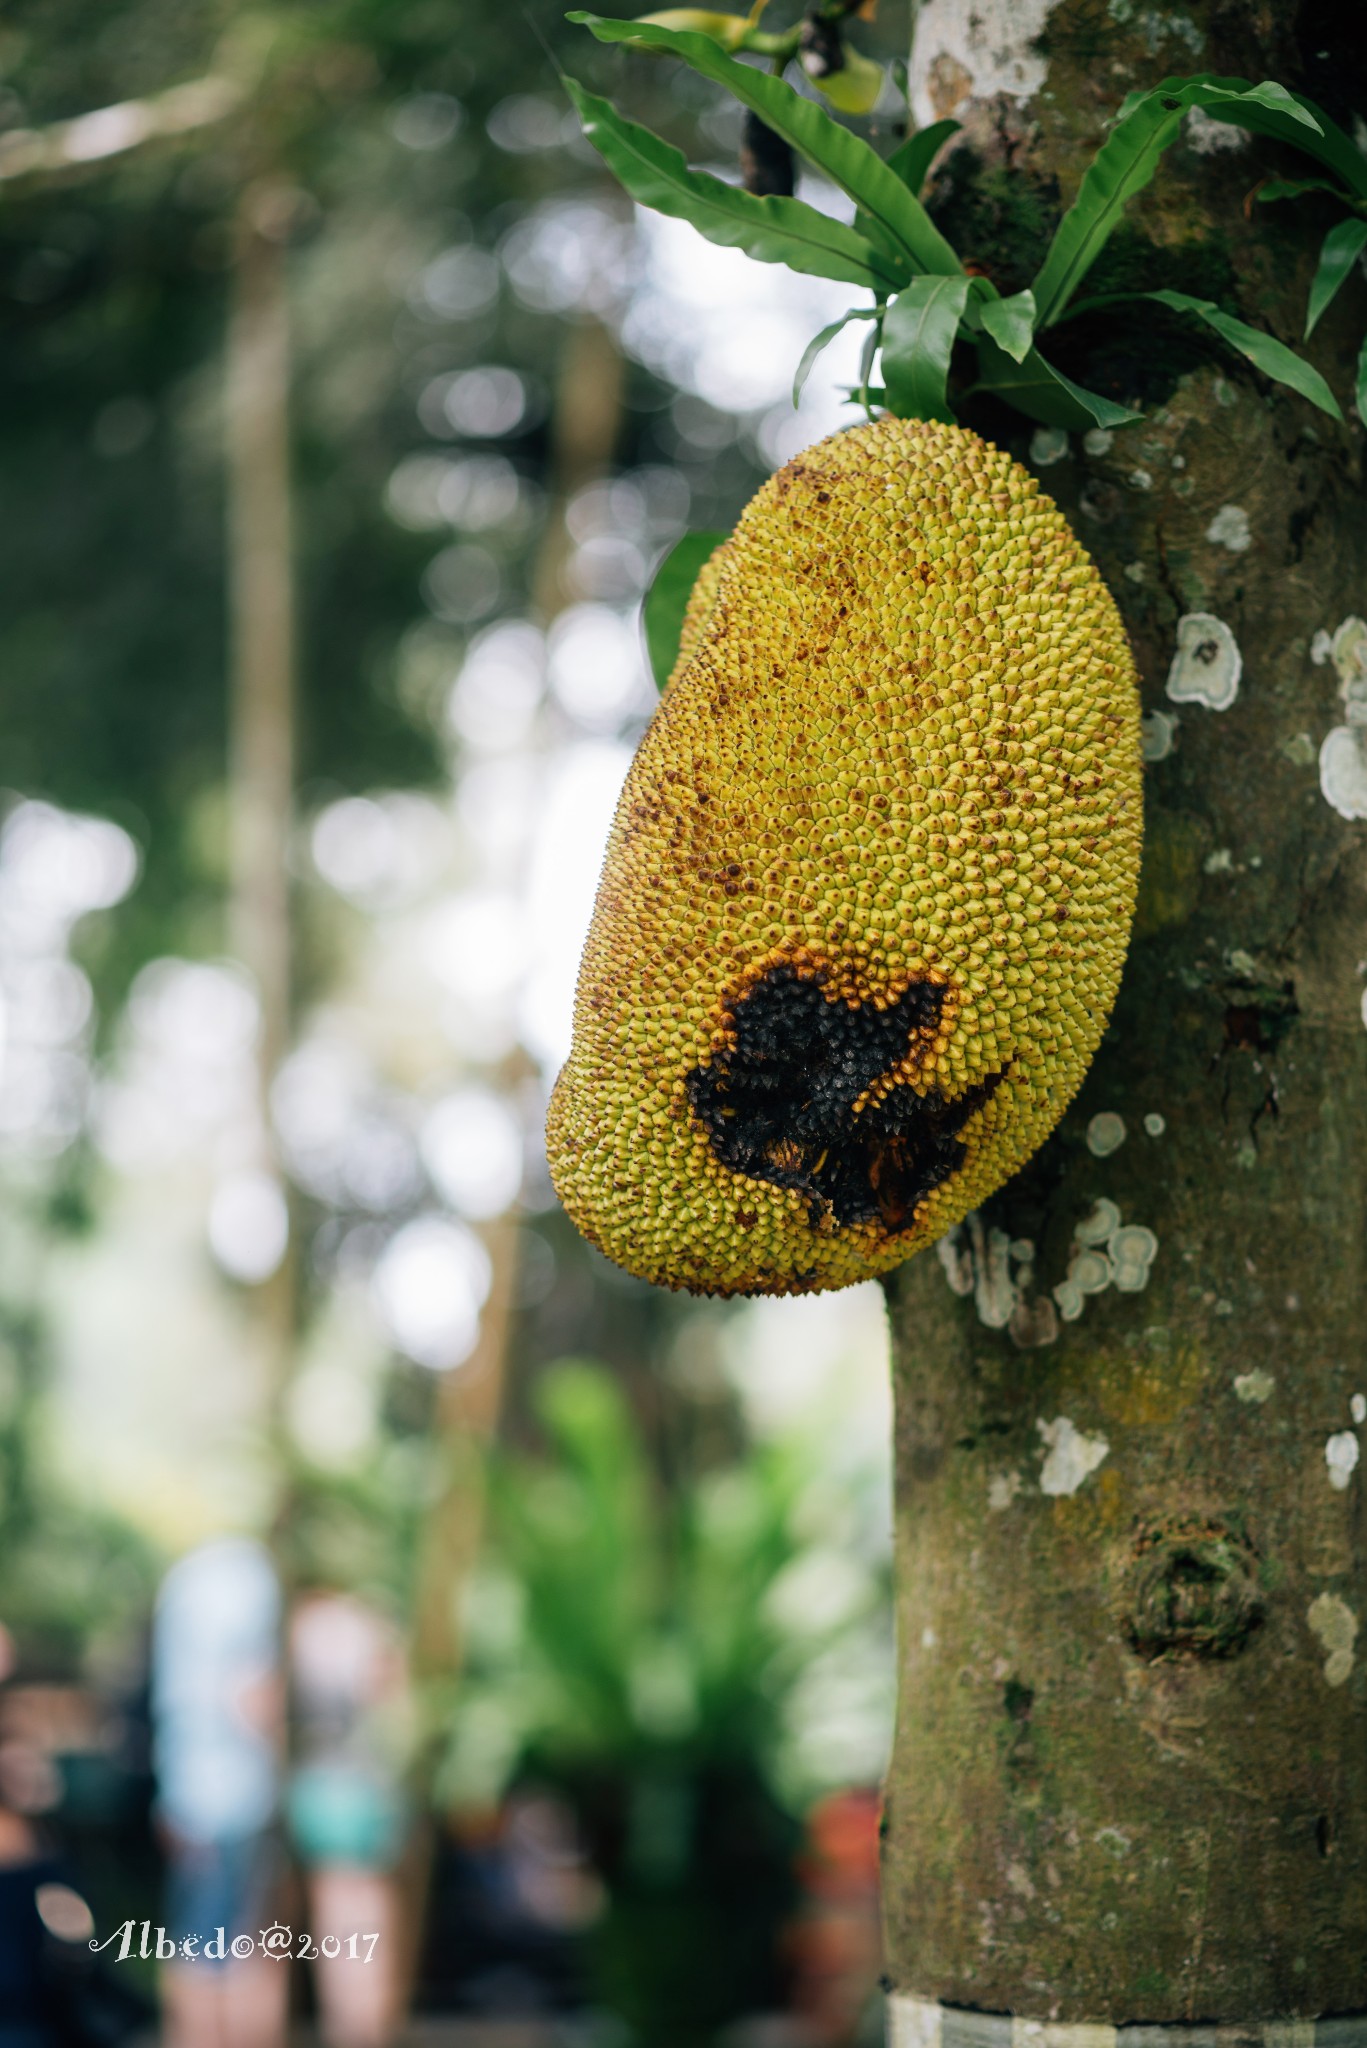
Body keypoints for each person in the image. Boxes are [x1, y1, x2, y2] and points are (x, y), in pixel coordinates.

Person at [150, 1537, 288, 2048]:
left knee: (196, 1938)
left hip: (189, 1790)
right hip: (235, 1794)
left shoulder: (187, 1579)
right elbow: (251, 1699)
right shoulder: (243, 1579)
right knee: (234, 1944)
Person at [286, 1591, 411, 2048]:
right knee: (370, 1924)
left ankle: (352, 2030)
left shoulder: (304, 1626)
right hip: (367, 1791)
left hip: (323, 1789)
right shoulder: (369, 1624)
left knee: (339, 1926)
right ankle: (366, 2030)